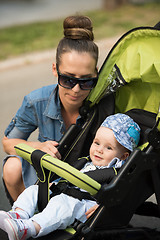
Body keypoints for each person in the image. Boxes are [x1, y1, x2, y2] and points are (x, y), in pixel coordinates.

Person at [2, 15, 99, 202]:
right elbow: (8, 143)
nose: (76, 89)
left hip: (86, 182)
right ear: (55, 69)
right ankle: (26, 221)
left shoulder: (104, 104)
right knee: (12, 168)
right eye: (68, 79)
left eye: (86, 81)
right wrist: (37, 147)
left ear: (96, 74)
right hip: (46, 177)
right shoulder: (36, 101)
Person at [0, 113, 141, 240]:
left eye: (108, 148)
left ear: (123, 156)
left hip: (84, 206)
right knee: (33, 190)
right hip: (64, 192)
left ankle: (28, 229)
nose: (99, 149)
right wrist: (54, 184)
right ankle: (18, 215)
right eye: (97, 143)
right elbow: (69, 175)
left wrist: (102, 206)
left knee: (61, 205)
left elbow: (117, 195)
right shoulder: (85, 161)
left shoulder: (116, 172)